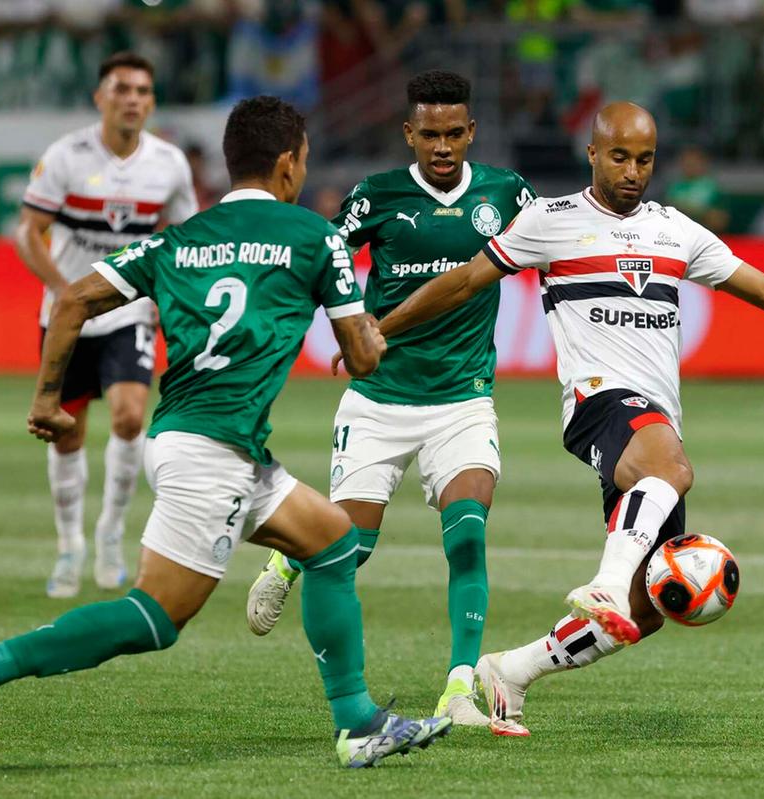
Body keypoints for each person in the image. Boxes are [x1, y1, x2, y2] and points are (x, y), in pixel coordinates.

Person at [0, 95, 452, 768]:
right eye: (302, 160)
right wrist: (376, 336)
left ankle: (359, 723)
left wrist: (48, 397)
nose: (303, 172)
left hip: (206, 440)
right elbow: (361, 358)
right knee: (158, 617)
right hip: (211, 452)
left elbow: (72, 299)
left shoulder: (180, 238)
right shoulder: (316, 237)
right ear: (287, 163)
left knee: (332, 540)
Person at [375, 101, 764, 736]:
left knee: (645, 612)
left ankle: (511, 670)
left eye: (644, 159)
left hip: (653, 422)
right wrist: (381, 327)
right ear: (592, 153)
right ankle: (606, 581)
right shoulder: (550, 221)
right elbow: (463, 281)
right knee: (672, 468)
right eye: (620, 157)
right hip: (596, 403)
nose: (633, 171)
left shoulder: (676, 231)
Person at [244, 70, 536, 727]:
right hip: (378, 399)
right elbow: (324, 259)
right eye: (429, 134)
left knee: (467, 537)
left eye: (454, 133)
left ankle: (458, 687)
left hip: (462, 399)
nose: (442, 145)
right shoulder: (375, 196)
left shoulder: (506, 193)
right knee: (353, 548)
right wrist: (336, 325)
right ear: (409, 133)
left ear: (472, 133)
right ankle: (290, 557)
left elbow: (549, 250)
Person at [14, 52, 198, 599]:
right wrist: (62, 289)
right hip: (68, 318)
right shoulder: (66, 156)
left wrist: (170, 298)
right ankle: (69, 542)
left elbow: (187, 240)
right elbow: (29, 232)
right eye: (121, 89)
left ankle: (111, 533)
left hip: (128, 314)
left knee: (128, 415)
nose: (133, 99)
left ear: (152, 101)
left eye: (143, 90)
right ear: (101, 97)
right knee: (67, 433)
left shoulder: (168, 163)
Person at [665, 145, 730, 234]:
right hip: (677, 230)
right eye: (686, 162)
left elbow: (720, 217)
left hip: (704, 230)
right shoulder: (675, 186)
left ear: (703, 163)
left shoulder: (711, 187)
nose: (690, 165)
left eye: (693, 162)